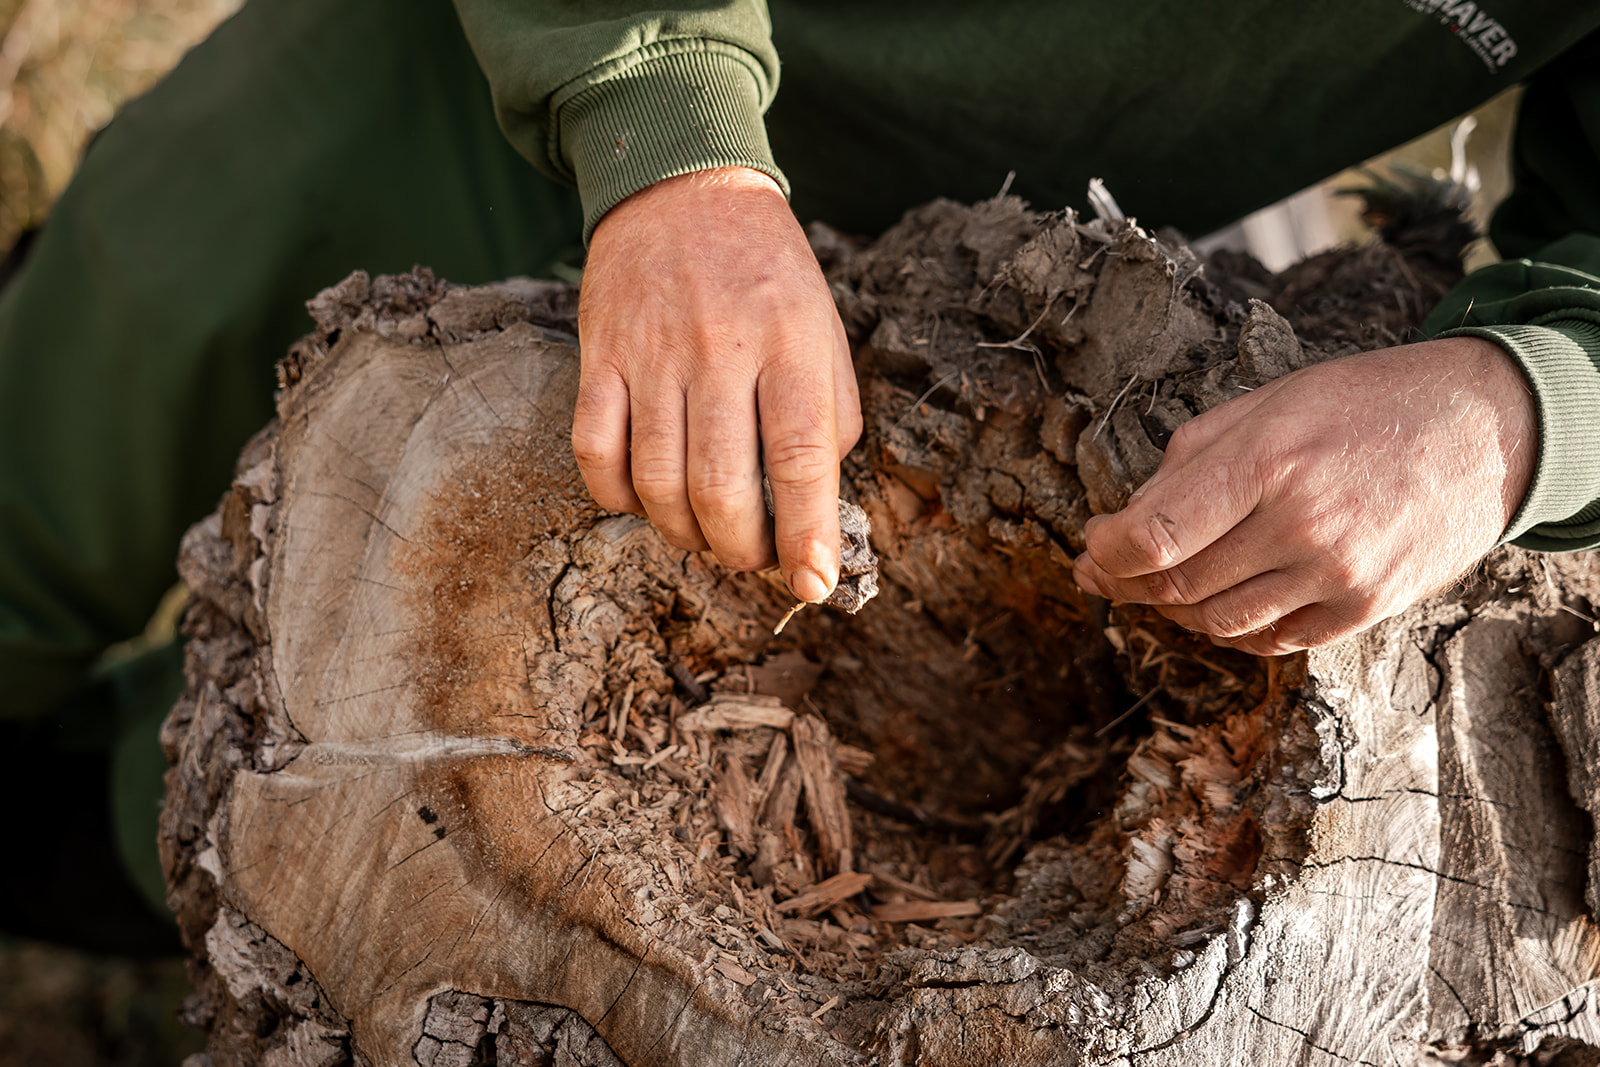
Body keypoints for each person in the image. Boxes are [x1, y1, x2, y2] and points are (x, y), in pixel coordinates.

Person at [1, 0, 1596, 950]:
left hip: (1007, 287)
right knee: (73, 412)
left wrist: (1523, 403)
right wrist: (666, 122)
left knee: (336, 777)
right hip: (494, 63)